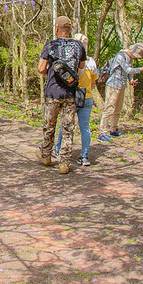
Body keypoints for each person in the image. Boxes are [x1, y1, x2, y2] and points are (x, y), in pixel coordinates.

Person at [37, 16, 86, 174]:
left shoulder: (50, 45)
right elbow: (81, 67)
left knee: (49, 126)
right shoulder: (79, 46)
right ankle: (64, 163)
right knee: (68, 129)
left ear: (56, 29)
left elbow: (40, 68)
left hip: (53, 92)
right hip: (70, 92)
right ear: (70, 30)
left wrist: (52, 71)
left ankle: (46, 156)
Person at [54, 33, 97, 166]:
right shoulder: (91, 61)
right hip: (87, 95)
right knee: (85, 127)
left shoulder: (72, 61)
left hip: (74, 94)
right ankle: (85, 156)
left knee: (65, 124)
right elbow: (94, 82)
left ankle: (57, 149)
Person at [98, 42, 143, 143]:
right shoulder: (120, 56)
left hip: (121, 85)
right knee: (109, 108)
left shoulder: (130, 58)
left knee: (117, 109)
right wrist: (142, 69)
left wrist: (131, 80)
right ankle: (102, 132)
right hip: (113, 85)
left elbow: (128, 72)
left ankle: (113, 129)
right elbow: (127, 69)